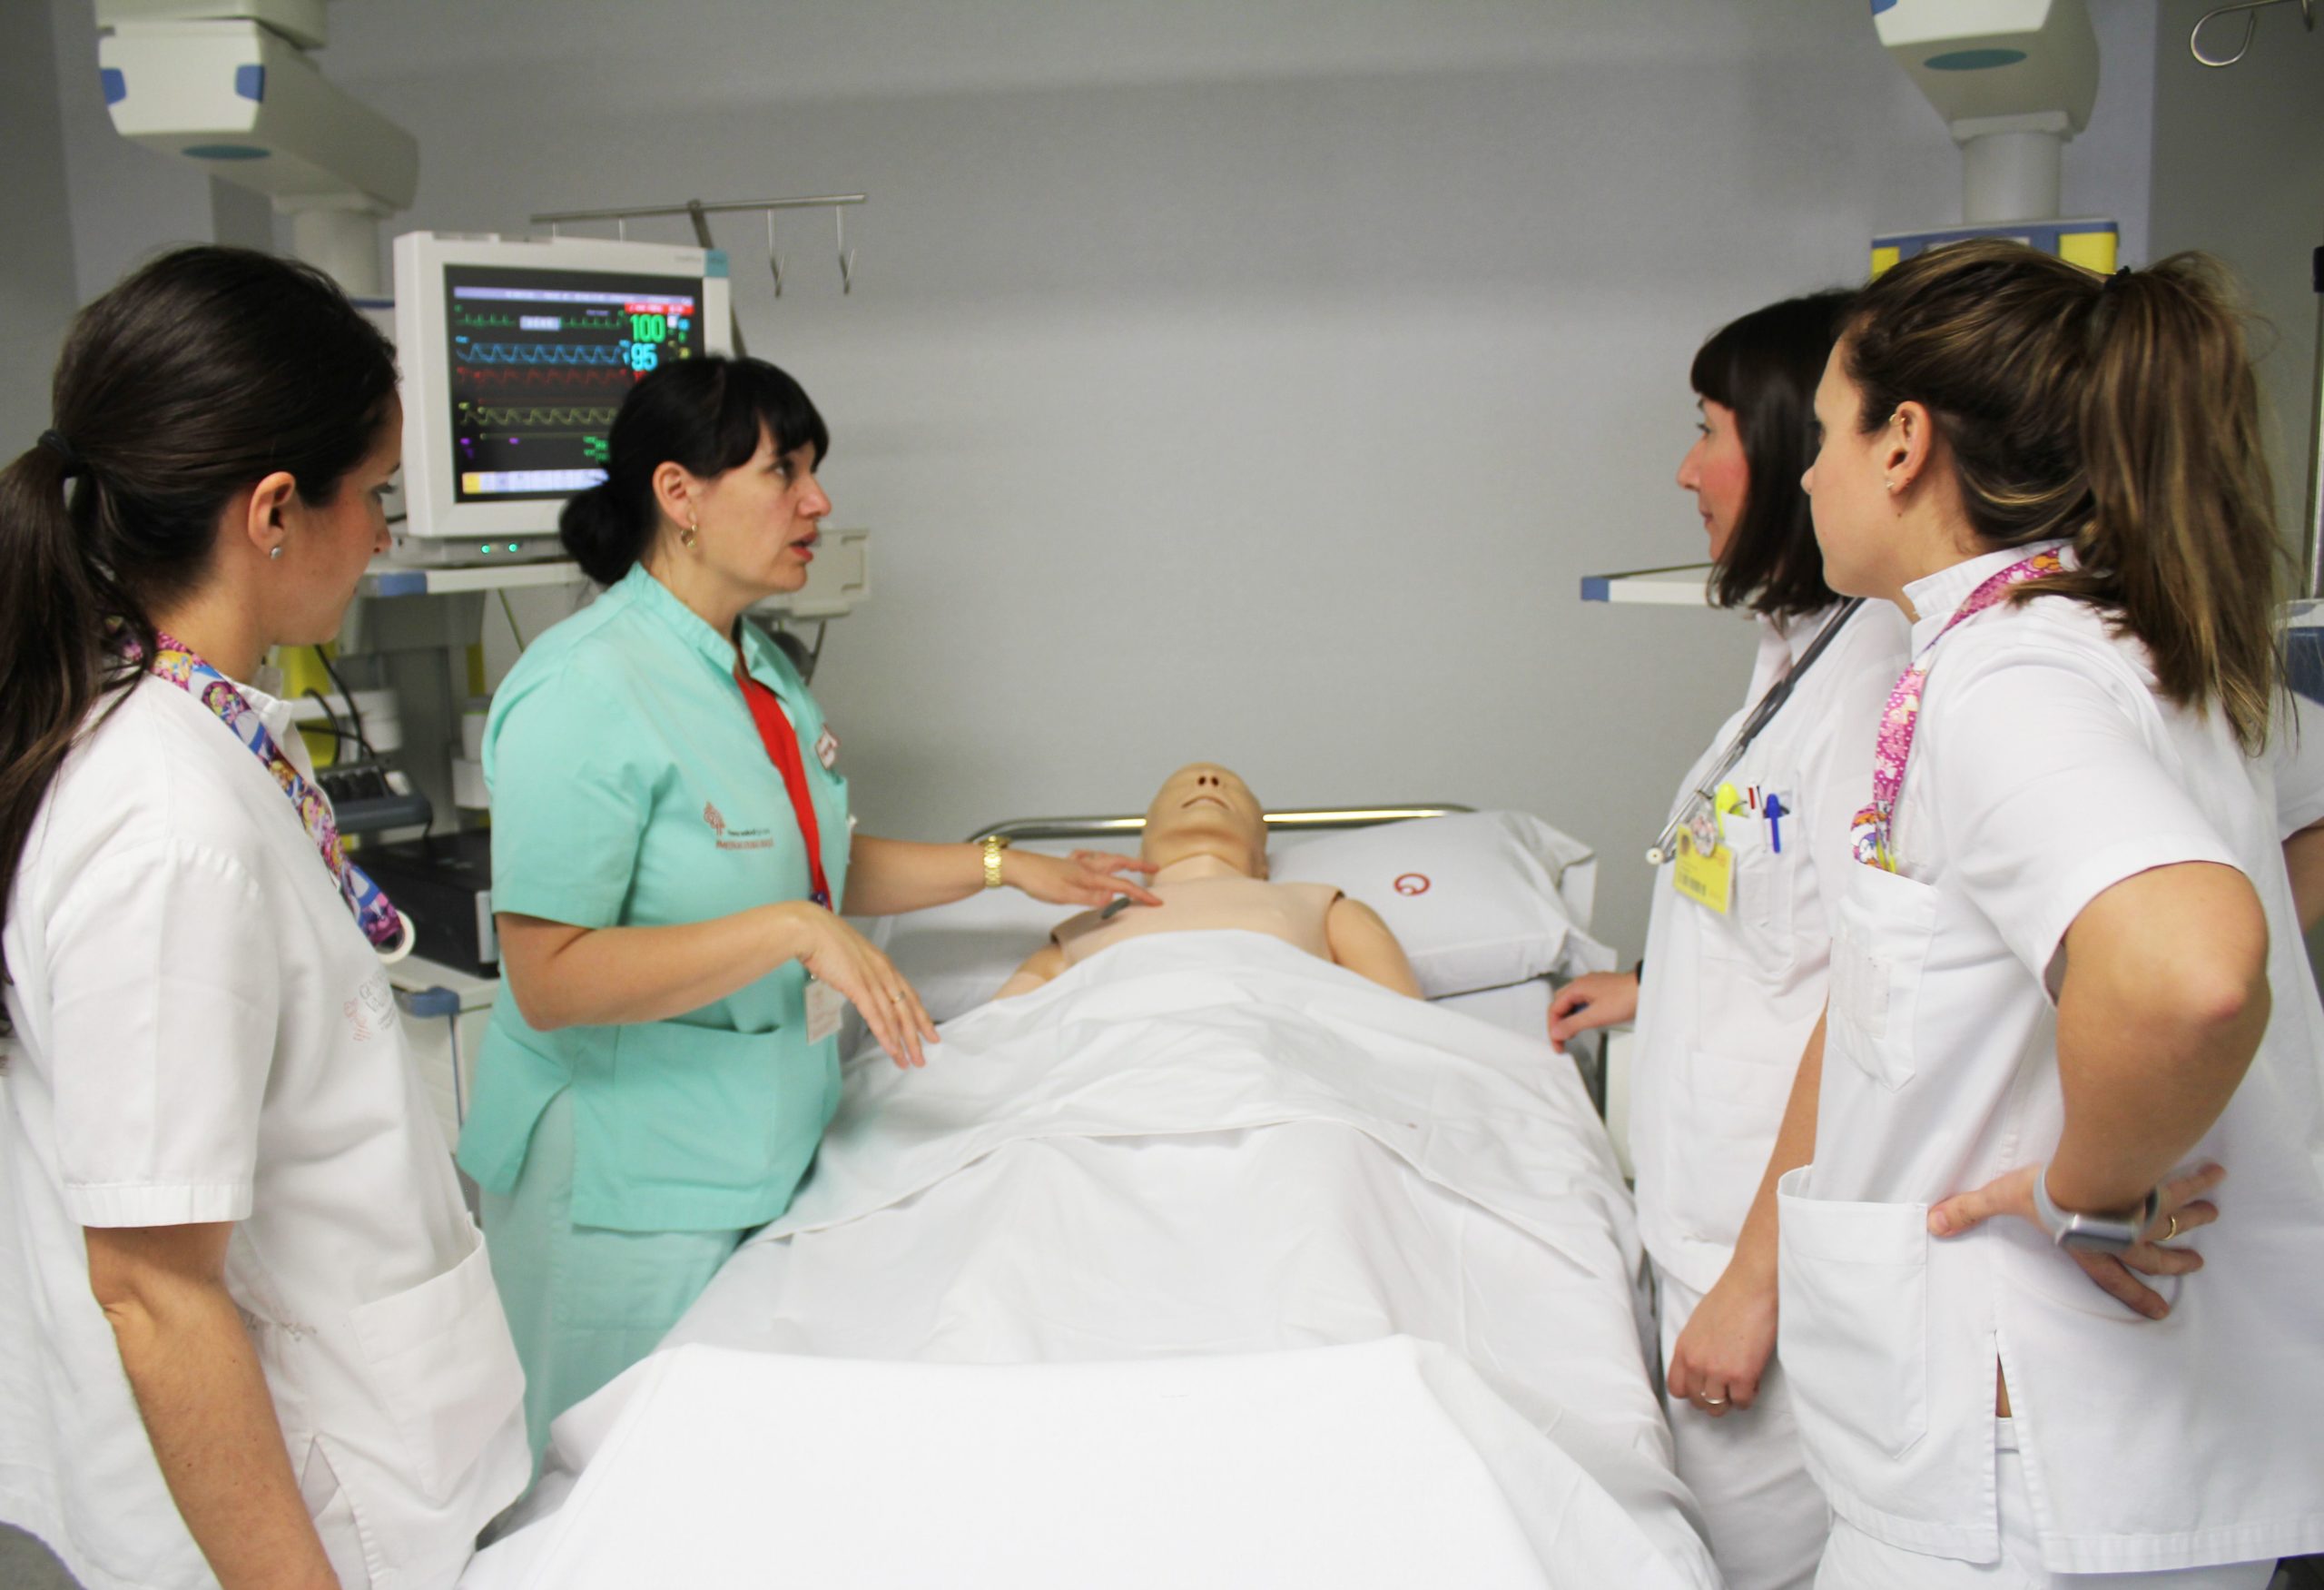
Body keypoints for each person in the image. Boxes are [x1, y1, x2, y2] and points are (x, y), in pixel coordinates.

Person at [459, 354, 1161, 1458]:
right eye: (782, 470)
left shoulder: (755, 666)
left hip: (757, 1139)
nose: (818, 501)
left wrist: (1002, 867)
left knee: (727, 1475)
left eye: (814, 470)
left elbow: (805, 865)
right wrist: (792, 930)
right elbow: (549, 977)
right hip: (623, 1181)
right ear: (679, 494)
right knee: (602, 1484)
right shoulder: (583, 688)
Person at [1781, 241, 2324, 1587]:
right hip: (2082, 1451)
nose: (1806, 476)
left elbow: (2188, 970)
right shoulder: (2119, 643)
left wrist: (2089, 1191)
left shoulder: (2013, 675)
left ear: (1904, 443)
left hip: (2023, 1467)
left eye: (1822, 433)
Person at [0, 248, 528, 1589]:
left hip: (368, 1450)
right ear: (276, 511)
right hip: (302, 1525)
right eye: (378, 494)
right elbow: (151, 1288)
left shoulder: (194, 726)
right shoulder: (163, 828)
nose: (384, 534)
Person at [1544, 289, 1909, 1589]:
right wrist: (1656, 985)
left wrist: (1754, 1282)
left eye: (1711, 429)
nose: (1686, 470)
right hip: (1712, 1220)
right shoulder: (1806, 646)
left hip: (1776, 1262)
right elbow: (1787, 906)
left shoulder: (1883, 673)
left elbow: (1878, 992)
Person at [995, 761, 1422, 998]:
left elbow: (1402, 1019)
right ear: (1141, 848)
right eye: (1179, 786)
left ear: (1263, 859)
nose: (1208, 780)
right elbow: (997, 1034)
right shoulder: (1081, 930)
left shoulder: (1322, 905)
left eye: (1232, 788)